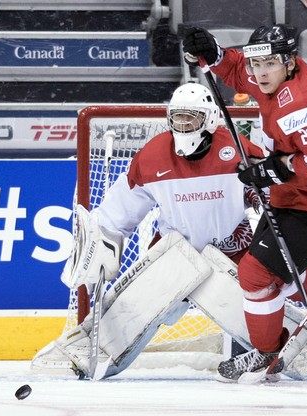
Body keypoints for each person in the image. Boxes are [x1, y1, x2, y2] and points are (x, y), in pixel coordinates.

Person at [32, 82, 267, 378]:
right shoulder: (153, 156)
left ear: (208, 119)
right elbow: (118, 211)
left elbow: (273, 187)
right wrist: (102, 243)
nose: (182, 124)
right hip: (175, 250)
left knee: (260, 301)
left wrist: (265, 196)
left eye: (190, 117)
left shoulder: (239, 150)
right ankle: (81, 353)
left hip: (233, 248)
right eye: (177, 117)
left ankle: (289, 350)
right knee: (138, 303)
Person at [182, 24, 307, 382]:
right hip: (296, 194)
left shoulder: (301, 104)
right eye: (257, 63)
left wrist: (274, 169)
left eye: (268, 64)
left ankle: (267, 354)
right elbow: (238, 71)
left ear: (288, 62)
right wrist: (213, 51)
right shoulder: (279, 78)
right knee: (273, 270)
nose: (260, 72)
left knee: (255, 273)